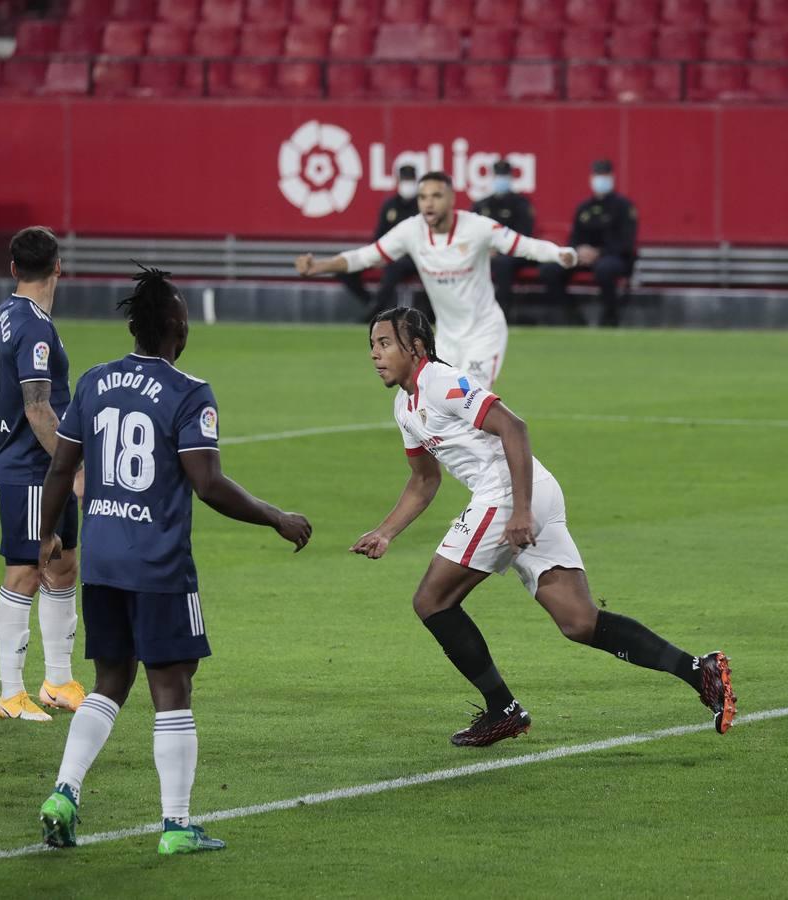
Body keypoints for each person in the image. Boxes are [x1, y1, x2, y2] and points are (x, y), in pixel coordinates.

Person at [350, 307, 735, 746]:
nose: (374, 355)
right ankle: (699, 671)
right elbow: (424, 481)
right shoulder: (405, 404)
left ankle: (503, 709)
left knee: (432, 601)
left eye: (384, 344)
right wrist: (385, 532)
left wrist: (520, 511)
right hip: (529, 491)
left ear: (415, 347)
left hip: (509, 494)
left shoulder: (440, 382)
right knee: (579, 621)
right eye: (372, 345)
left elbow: (513, 427)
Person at [36, 267, 312, 855]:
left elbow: (60, 469)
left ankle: (64, 791)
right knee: (172, 685)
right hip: (157, 563)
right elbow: (208, 484)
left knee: (110, 680)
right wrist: (276, 516)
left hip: (103, 559)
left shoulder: (94, 381)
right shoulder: (189, 391)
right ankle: (176, 825)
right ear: (176, 327)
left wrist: (46, 537)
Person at [295, 171, 576, 390]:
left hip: (484, 333)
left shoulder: (477, 227)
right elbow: (365, 257)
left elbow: (523, 245)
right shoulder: (410, 231)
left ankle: (506, 461)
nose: (428, 202)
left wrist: (558, 253)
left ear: (452, 199)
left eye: (436, 196)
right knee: (439, 410)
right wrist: (320, 266)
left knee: (469, 404)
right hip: (446, 338)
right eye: (423, 197)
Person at [0, 226, 84, 722]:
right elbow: (39, 408)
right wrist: (75, 467)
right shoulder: (34, 327)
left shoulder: (3, 315)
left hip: (41, 465)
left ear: (12, 267)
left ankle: (58, 680)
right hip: (33, 469)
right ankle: (9, 692)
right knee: (25, 571)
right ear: (58, 266)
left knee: (63, 566)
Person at [537, 159, 637, 327]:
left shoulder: (624, 207)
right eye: (597, 175)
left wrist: (599, 253)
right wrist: (579, 251)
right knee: (549, 270)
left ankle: (609, 319)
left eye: (604, 175)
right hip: (583, 257)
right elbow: (575, 237)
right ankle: (572, 318)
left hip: (613, 257)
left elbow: (626, 242)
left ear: (612, 177)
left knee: (604, 270)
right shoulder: (584, 207)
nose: (600, 179)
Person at [338, 164, 422, 320]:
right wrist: (376, 255)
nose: (407, 184)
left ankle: (377, 312)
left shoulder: (422, 206)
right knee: (346, 268)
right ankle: (372, 302)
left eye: (410, 180)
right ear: (398, 180)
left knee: (395, 266)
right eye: (405, 179)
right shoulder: (390, 205)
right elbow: (379, 236)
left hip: (413, 258)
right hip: (387, 253)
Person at [471, 160, 536, 321]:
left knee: (502, 264)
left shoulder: (520, 204)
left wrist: (499, 248)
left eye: (504, 175)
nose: (501, 179)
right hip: (485, 252)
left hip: (513, 253)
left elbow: (523, 234)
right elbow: (470, 232)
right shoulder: (482, 204)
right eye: (498, 175)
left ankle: (501, 314)